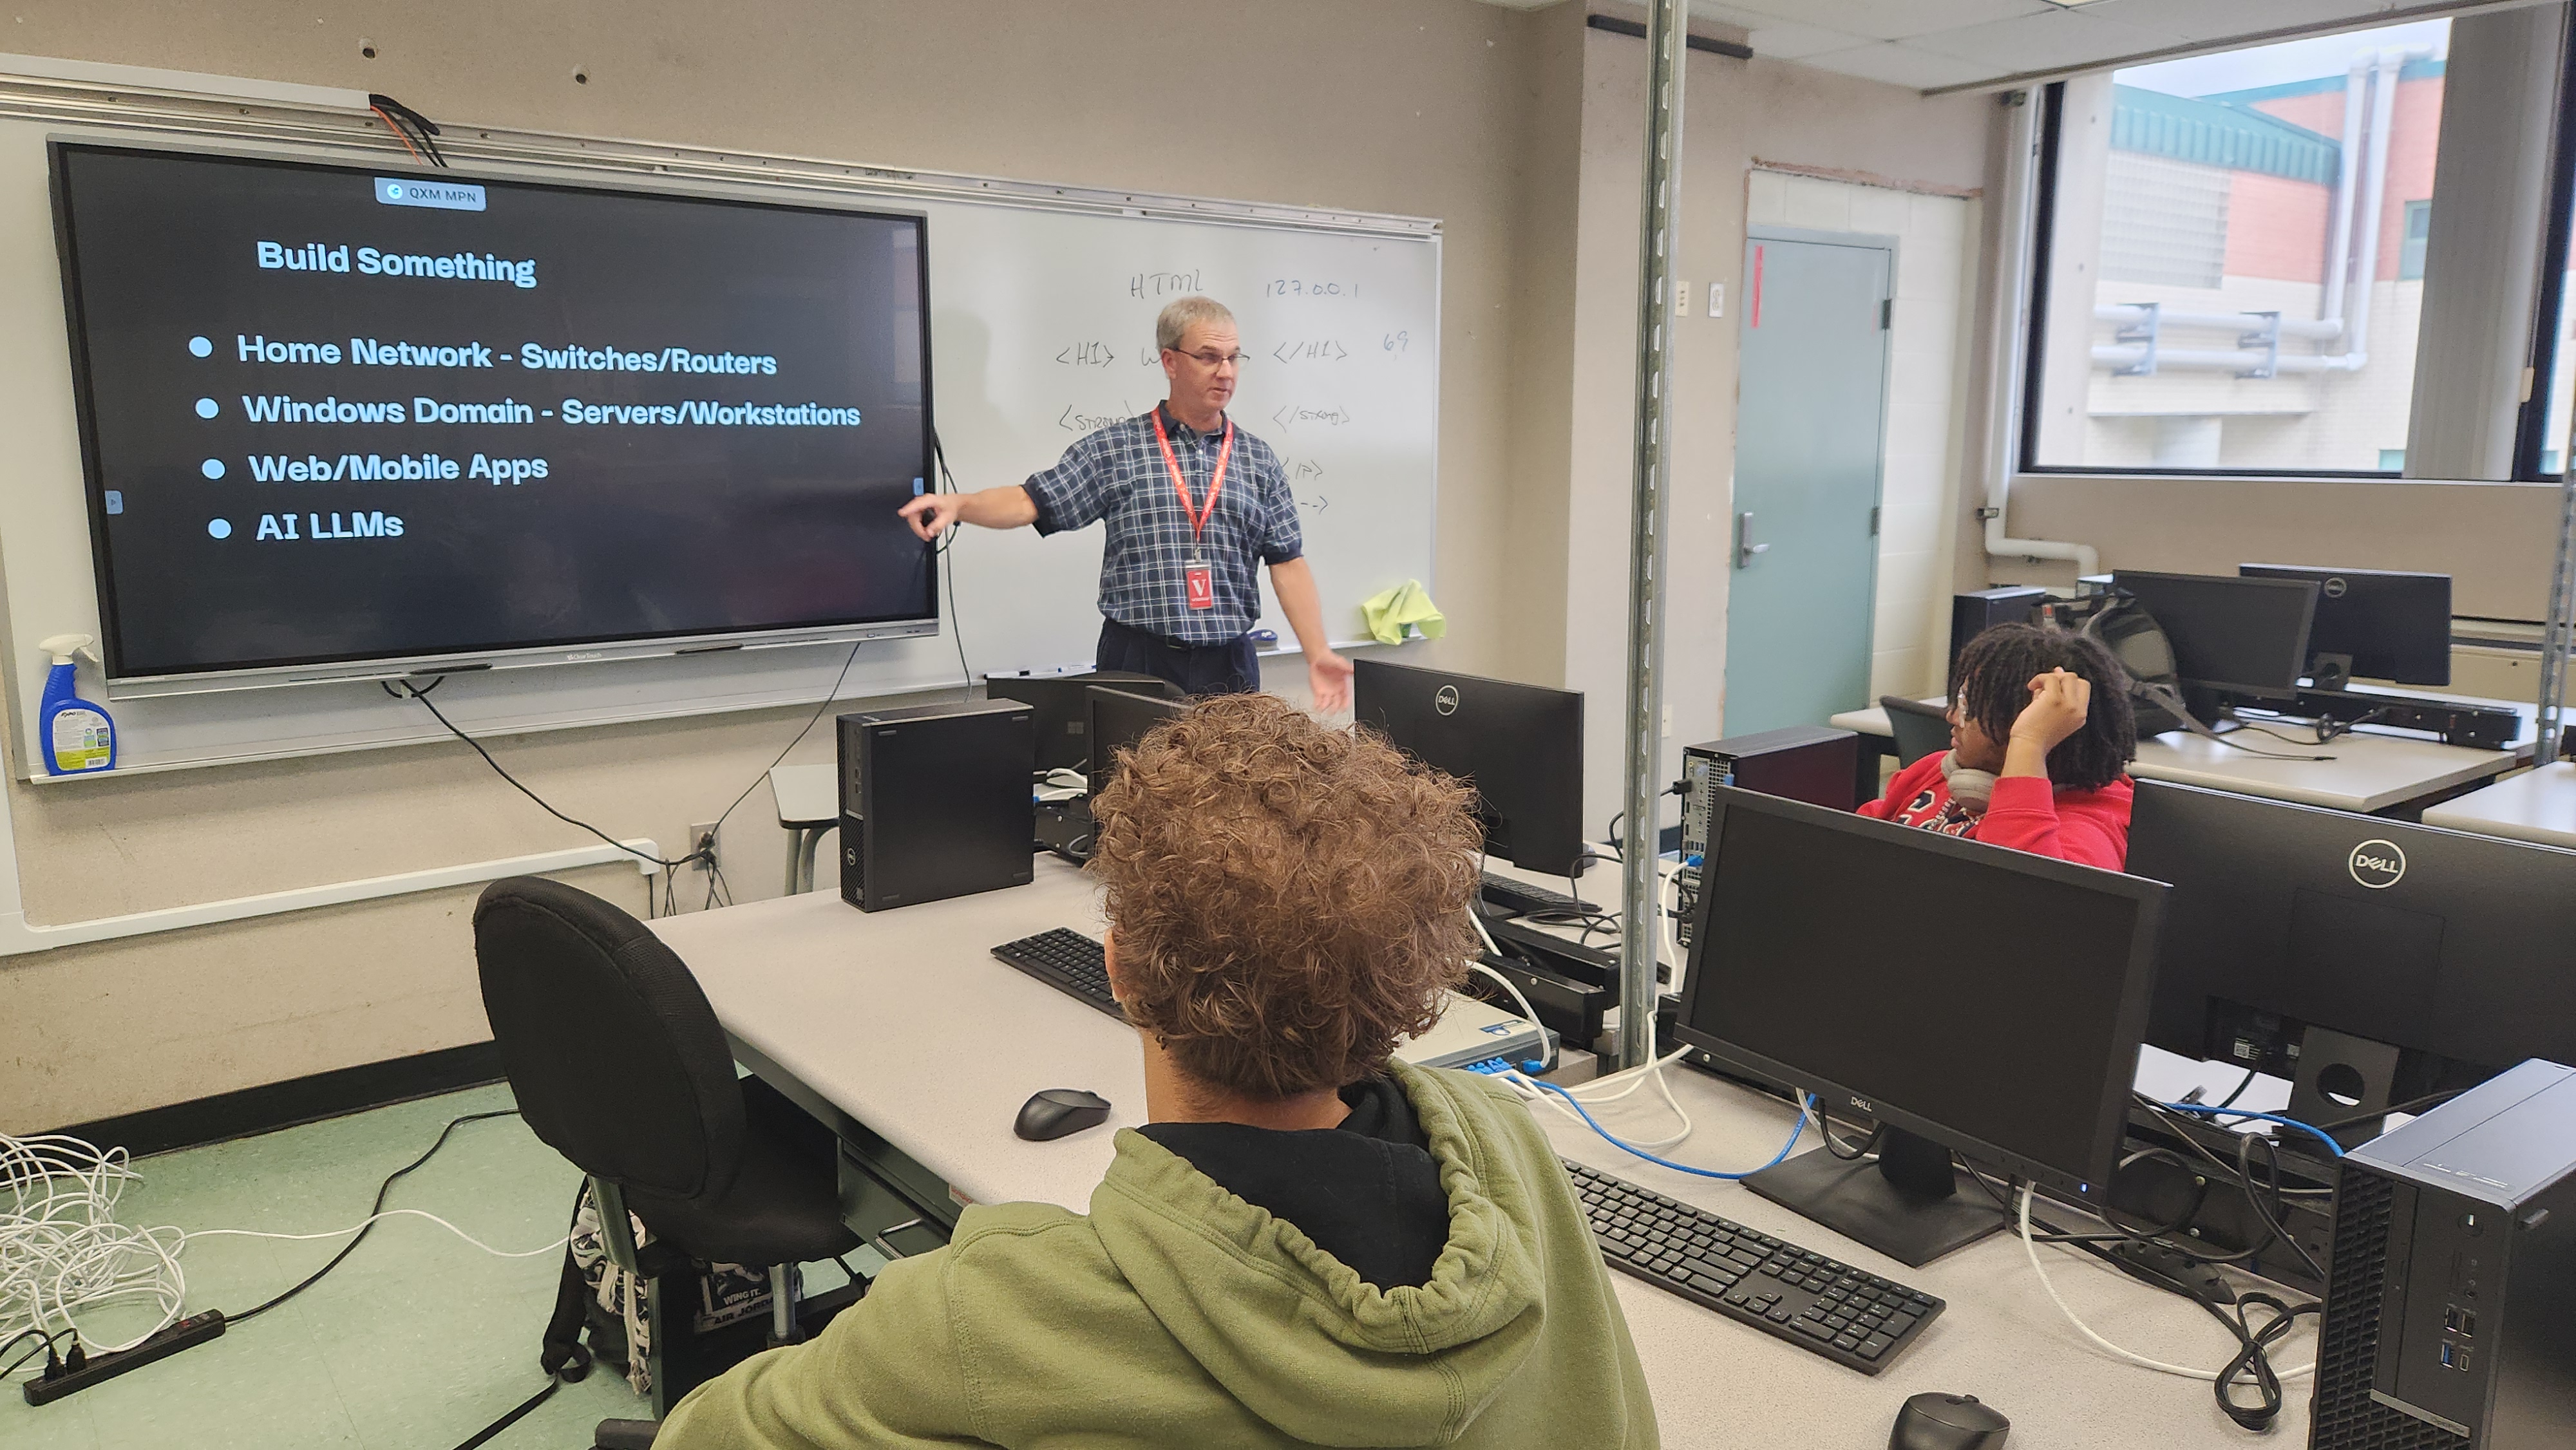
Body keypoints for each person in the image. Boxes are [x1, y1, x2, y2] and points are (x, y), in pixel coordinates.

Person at [656, 694, 1657, 1449]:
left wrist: (1010, 1263)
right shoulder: (1508, 1145)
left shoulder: (994, 1312)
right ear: (1416, 982)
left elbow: (706, 1434)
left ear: (1122, 972)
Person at [897, 296, 1354, 710]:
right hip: (1140, 660)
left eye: (1234, 358)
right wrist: (960, 504)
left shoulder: (1257, 459)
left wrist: (1317, 653)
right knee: (1136, 777)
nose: (1226, 372)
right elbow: (1030, 501)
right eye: (1209, 357)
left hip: (1230, 664)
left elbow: (1287, 561)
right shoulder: (1117, 449)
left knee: (1232, 779)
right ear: (1170, 361)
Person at [1859, 622, 2137, 869]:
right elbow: (1854, 841)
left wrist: (2029, 744)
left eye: (1969, 708)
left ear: (2023, 721)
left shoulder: (2090, 831)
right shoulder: (1937, 772)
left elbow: (2016, 895)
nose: (1952, 716)